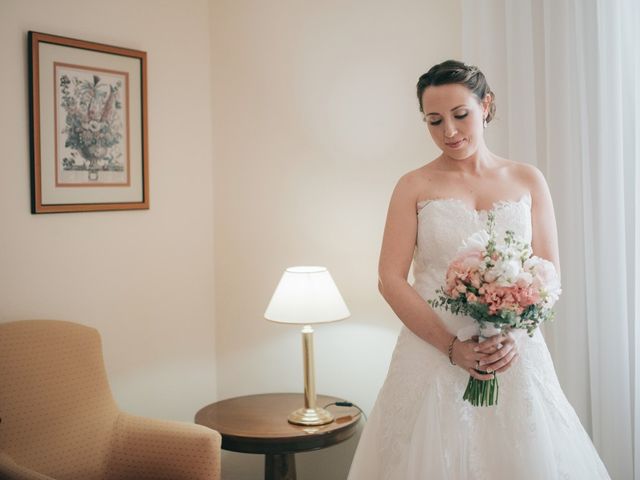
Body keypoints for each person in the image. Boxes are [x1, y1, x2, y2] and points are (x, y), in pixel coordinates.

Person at [346, 59, 611, 480]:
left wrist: (515, 337)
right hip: (430, 350)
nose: (448, 131)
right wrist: (452, 348)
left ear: (486, 105)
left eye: (459, 115)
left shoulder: (527, 179)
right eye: (434, 121)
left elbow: (547, 272)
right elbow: (390, 279)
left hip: (513, 352)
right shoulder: (413, 186)